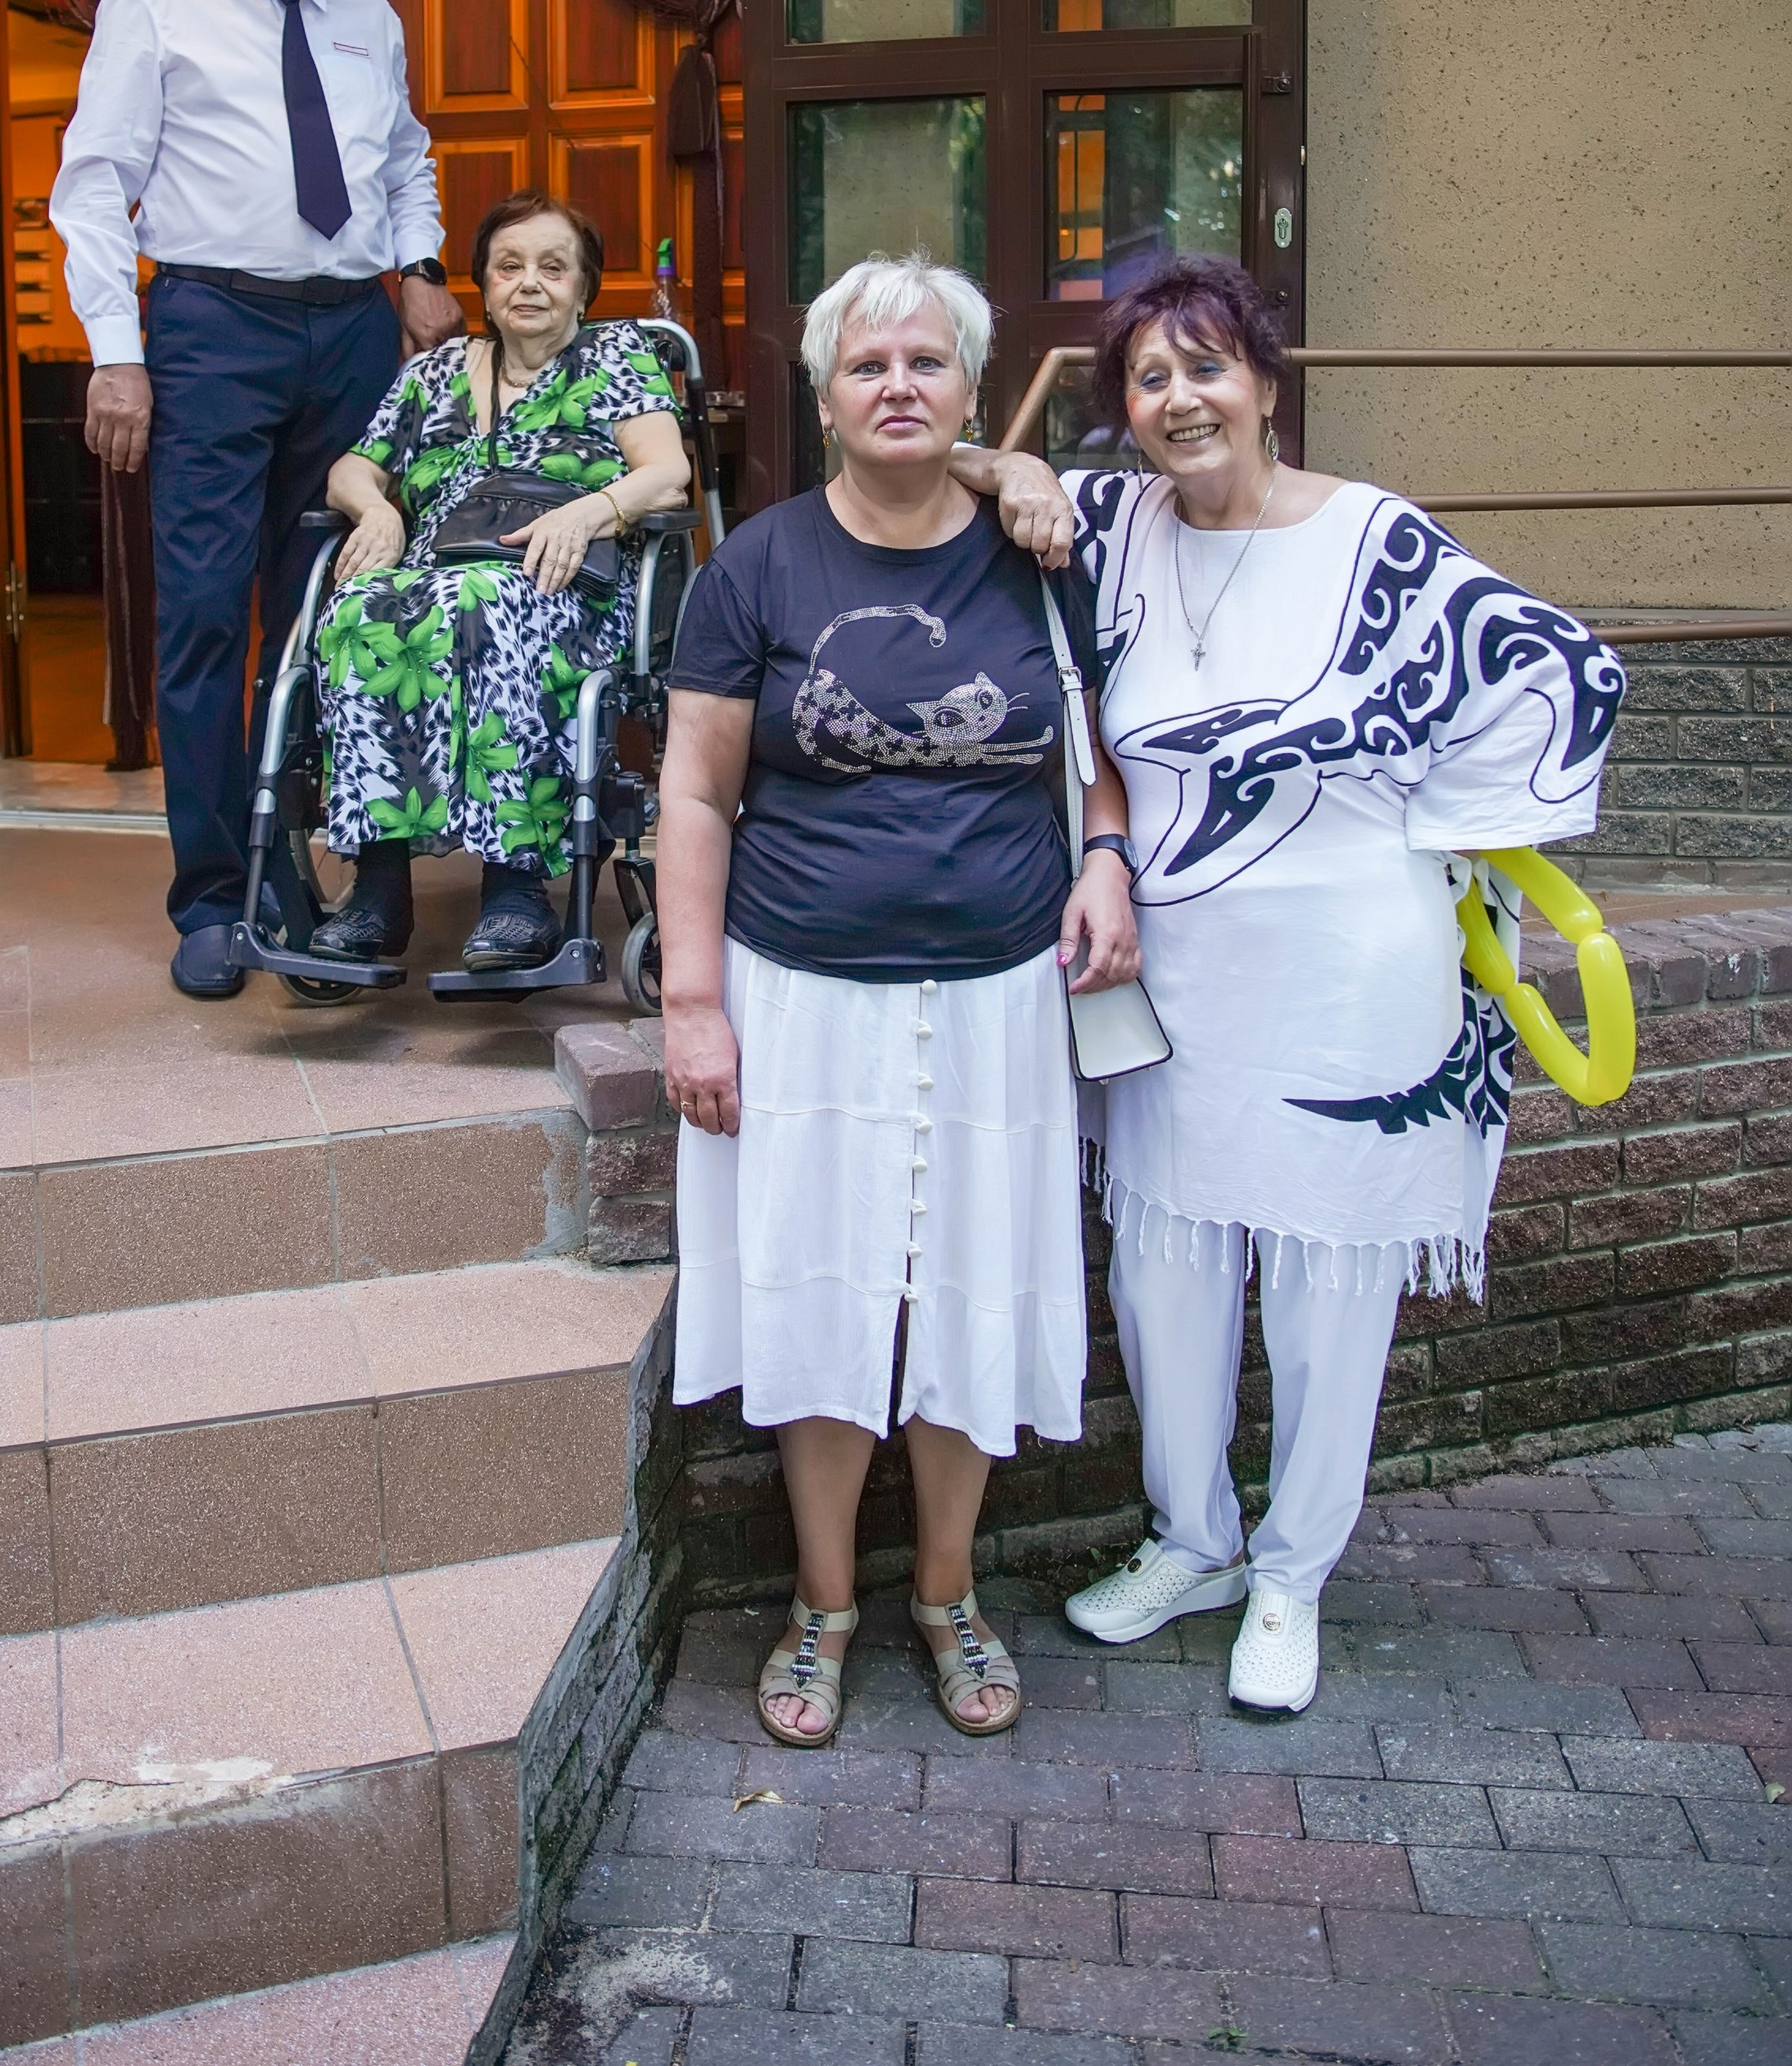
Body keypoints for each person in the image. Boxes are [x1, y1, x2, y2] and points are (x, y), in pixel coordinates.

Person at [969, 256, 1625, 1716]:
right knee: (1165, 1263)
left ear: (1265, 379)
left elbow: (1555, 666)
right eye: (1148, 377)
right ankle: (1191, 1538)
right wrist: (1003, 459)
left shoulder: (1374, 537)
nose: (1179, 398)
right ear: (1125, 411)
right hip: (1173, 962)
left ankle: (1290, 1572)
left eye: (1207, 366)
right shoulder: (1114, 521)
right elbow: (923, 450)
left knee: (1329, 1277)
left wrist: (1436, 825)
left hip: (1349, 963)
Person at [659, 255, 1142, 1748]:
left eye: (928, 362)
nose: (898, 386)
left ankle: (947, 1592)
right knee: (820, 1295)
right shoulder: (759, 567)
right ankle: (823, 1602)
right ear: (822, 397)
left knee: (968, 1297)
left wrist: (1110, 859)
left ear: (971, 391)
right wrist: (691, 997)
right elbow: (693, 787)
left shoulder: (1041, 552)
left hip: (1001, 992)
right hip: (800, 991)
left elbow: (1108, 742)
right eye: (869, 365)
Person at [51, 0, 464, 999]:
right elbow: (94, 188)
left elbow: (402, 159)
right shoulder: (155, 2)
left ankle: (301, 867)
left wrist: (424, 264)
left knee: (330, 611)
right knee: (204, 615)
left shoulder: (369, 18)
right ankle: (213, 895)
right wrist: (117, 356)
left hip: (346, 333)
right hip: (210, 332)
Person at [313, 194, 690, 972]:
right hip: (432, 578)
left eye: (553, 269)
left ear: (584, 288)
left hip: (562, 583)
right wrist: (375, 510)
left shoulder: (617, 357)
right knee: (355, 610)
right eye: (509, 267)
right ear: (482, 286)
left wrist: (589, 513)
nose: (529, 284)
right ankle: (378, 893)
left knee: (483, 605)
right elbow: (350, 468)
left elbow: (668, 473)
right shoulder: (434, 372)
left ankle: (517, 890)